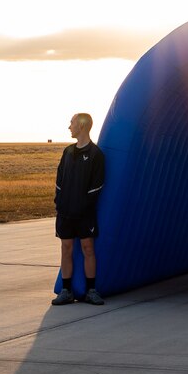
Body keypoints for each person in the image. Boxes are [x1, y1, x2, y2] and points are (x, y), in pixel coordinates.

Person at [52, 112, 106, 306]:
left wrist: (83, 206)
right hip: (65, 213)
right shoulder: (67, 152)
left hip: (84, 214)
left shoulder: (96, 154)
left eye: (72, 123)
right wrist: (60, 202)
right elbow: (59, 180)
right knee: (65, 249)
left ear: (82, 125)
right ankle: (66, 291)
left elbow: (97, 186)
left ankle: (91, 290)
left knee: (87, 248)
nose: (69, 126)